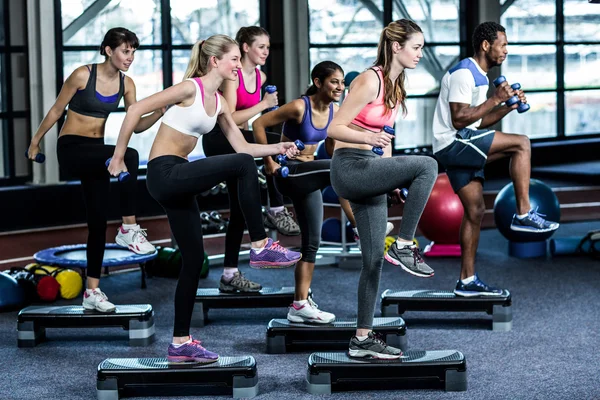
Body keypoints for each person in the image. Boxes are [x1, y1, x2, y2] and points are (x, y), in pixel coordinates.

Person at [108, 35, 302, 363]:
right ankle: (259, 245)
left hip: (179, 176)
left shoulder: (221, 103)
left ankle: (180, 343)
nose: (239, 66)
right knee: (240, 167)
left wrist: (277, 148)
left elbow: (243, 148)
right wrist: (118, 156)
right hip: (163, 173)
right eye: (234, 60)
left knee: (194, 259)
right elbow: (136, 110)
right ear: (215, 61)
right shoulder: (190, 88)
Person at [26, 28, 160, 313]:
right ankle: (129, 227)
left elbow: (136, 125)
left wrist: (161, 111)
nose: (130, 57)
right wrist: (35, 143)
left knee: (97, 224)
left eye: (133, 51)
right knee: (130, 155)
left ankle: (92, 292)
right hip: (72, 148)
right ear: (109, 50)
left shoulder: (128, 84)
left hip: (99, 155)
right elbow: (55, 111)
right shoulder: (82, 75)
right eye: (125, 51)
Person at [328, 19, 438, 359]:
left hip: (370, 169)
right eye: (416, 47)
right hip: (349, 167)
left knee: (373, 260)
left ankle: (362, 338)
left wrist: (391, 181)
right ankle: (405, 244)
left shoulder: (395, 84)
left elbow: (385, 140)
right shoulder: (368, 79)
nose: (421, 53)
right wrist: (367, 138)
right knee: (427, 164)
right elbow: (335, 128)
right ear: (396, 46)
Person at [253, 61, 394, 324]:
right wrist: (269, 161)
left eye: (342, 82)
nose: (340, 87)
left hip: (311, 175)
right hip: (289, 173)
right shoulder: (299, 106)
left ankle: (299, 305)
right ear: (318, 83)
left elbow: (332, 148)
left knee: (311, 244)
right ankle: (360, 228)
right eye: (334, 82)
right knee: (338, 170)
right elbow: (259, 123)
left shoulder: (335, 111)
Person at [432, 21, 559, 297]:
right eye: (502, 45)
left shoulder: (479, 75)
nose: (506, 51)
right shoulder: (464, 73)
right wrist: (495, 99)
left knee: (475, 211)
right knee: (521, 144)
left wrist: (507, 106)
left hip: (462, 141)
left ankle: (466, 281)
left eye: (507, 46)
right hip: (453, 142)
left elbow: (478, 122)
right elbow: (458, 119)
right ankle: (523, 214)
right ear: (485, 45)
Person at [201, 26, 300, 295]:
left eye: (268, 47)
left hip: (239, 141)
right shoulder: (232, 77)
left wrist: (270, 113)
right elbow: (230, 118)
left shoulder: (260, 76)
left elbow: (254, 123)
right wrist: (264, 104)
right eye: (261, 47)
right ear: (245, 47)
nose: (266, 52)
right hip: (219, 139)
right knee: (266, 144)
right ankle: (276, 209)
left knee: (238, 212)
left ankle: (230, 274)